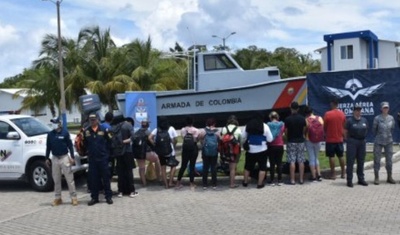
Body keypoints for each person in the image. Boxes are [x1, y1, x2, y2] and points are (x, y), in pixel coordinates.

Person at [45, 117, 78, 206]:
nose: (53, 125)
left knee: (69, 179)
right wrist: (47, 158)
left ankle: (73, 197)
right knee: (56, 179)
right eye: (52, 123)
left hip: (64, 157)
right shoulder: (50, 134)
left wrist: (72, 157)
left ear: (59, 123)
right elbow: (48, 147)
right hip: (55, 158)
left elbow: (70, 146)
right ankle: (58, 198)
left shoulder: (65, 133)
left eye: (55, 123)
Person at [83, 113, 113, 206]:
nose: (92, 121)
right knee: (94, 180)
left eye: (94, 119)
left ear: (98, 120)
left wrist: (108, 155)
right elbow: (85, 144)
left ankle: (108, 197)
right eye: (91, 120)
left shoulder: (104, 130)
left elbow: (110, 142)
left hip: (103, 158)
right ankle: (94, 198)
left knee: (106, 178)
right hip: (92, 159)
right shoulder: (86, 131)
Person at [242, 112, 273, 189]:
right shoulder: (265, 126)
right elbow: (270, 139)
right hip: (262, 150)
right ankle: (259, 184)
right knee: (262, 167)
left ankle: (245, 182)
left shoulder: (248, 125)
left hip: (250, 150)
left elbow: (243, 136)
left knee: (247, 167)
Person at [148, 116, 178, 189]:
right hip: (170, 151)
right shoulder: (171, 128)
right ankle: (170, 182)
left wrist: (155, 144)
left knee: (163, 168)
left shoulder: (157, 129)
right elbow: (175, 139)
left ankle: (166, 184)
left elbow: (149, 138)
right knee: (173, 166)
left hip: (161, 152)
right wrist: (173, 144)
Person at [344, 104, 368, 188]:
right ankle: (349, 180)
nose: (358, 112)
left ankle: (361, 179)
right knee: (350, 161)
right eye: (357, 110)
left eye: (359, 110)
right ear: (354, 111)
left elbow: (366, 129)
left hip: (362, 142)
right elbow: (345, 132)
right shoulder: (349, 121)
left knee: (361, 161)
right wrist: (348, 140)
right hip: (352, 142)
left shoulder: (364, 120)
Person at [114, 117, 138, 198]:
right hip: (127, 151)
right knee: (129, 171)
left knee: (120, 172)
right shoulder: (128, 125)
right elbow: (133, 137)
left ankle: (120, 191)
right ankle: (131, 191)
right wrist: (124, 141)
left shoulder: (115, 126)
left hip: (118, 152)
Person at [373, 101, 396, 185]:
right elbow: (374, 130)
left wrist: (387, 135)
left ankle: (389, 177)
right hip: (378, 141)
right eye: (384, 108)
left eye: (387, 108)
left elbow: (392, 128)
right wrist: (380, 136)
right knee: (377, 159)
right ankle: (376, 177)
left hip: (389, 141)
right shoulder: (377, 118)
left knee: (389, 160)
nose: (385, 109)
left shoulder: (391, 118)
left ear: (388, 109)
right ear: (381, 109)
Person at [133, 119, 161, 187]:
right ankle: (158, 178)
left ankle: (144, 183)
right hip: (147, 152)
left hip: (138, 153)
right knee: (157, 160)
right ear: (148, 125)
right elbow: (152, 143)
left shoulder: (136, 132)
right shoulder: (148, 132)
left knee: (141, 168)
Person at [284, 101, 307, 185]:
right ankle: (301, 179)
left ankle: (292, 180)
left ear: (291, 108)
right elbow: (304, 129)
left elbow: (286, 132)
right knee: (301, 160)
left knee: (292, 160)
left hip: (291, 141)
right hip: (300, 141)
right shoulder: (302, 118)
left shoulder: (287, 119)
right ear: (298, 109)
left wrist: (287, 138)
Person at [323, 99, 346, 180]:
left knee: (331, 156)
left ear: (332, 104)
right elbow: (344, 125)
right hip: (339, 138)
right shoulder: (342, 114)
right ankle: (343, 173)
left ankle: (333, 174)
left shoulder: (327, 114)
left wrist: (326, 133)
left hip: (330, 139)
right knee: (341, 156)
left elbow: (325, 126)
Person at [176, 116, 201, 189]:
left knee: (183, 165)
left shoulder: (183, 130)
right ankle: (191, 183)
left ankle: (178, 182)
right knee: (192, 166)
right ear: (192, 122)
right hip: (193, 149)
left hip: (185, 149)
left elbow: (183, 138)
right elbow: (197, 140)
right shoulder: (196, 130)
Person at [221, 115, 242, 188]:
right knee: (233, 168)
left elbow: (221, 139)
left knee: (230, 166)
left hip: (226, 150)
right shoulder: (238, 129)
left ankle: (230, 180)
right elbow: (240, 140)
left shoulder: (224, 128)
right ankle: (232, 184)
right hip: (234, 151)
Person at [198, 118, 220, 190]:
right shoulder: (217, 131)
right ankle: (214, 184)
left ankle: (205, 184)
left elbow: (199, 138)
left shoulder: (203, 131)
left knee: (205, 167)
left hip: (205, 151)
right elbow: (219, 140)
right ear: (214, 124)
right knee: (213, 167)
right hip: (214, 151)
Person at [304, 106, 323, 182]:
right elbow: (322, 128)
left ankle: (313, 176)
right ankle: (319, 175)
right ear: (312, 111)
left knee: (311, 158)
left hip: (309, 140)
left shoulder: (306, 120)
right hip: (318, 140)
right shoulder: (319, 118)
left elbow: (304, 130)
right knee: (316, 157)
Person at [266, 111, 285, 186]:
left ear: (270, 117)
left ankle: (272, 180)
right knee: (279, 163)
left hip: (271, 146)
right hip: (280, 145)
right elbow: (283, 133)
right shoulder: (282, 124)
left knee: (272, 163)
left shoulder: (268, 125)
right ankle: (280, 180)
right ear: (277, 117)